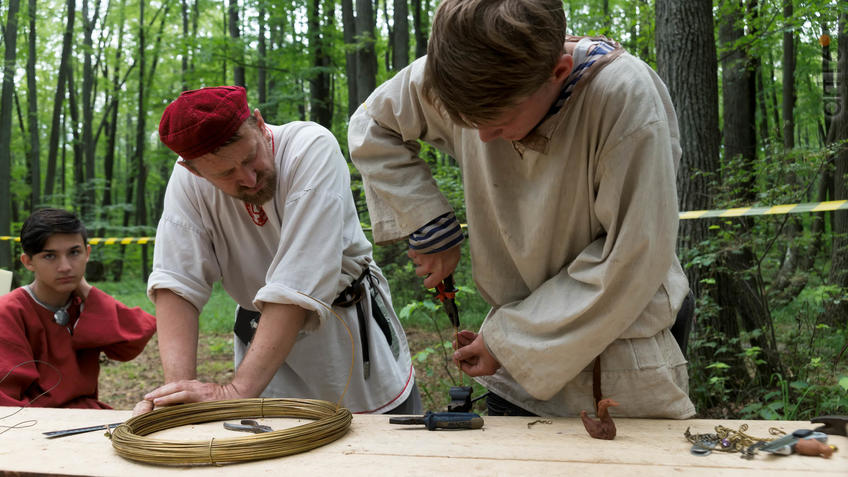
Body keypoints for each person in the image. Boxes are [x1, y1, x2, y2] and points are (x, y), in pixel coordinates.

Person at [348, 0, 695, 418]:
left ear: (559, 72)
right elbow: (371, 124)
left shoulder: (624, 100)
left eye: (496, 120)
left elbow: (632, 259)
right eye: (465, 121)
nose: (483, 138)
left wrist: (507, 340)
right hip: (514, 362)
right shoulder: (456, 69)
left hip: (619, 353)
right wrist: (427, 219)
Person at [144, 85, 419, 414]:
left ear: (260, 124)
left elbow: (298, 279)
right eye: (226, 173)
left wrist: (237, 390)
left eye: (250, 158)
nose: (248, 178)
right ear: (194, 170)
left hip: (346, 333)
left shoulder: (309, 148)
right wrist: (178, 393)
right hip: (262, 341)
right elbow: (177, 281)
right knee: (279, 453)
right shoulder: (188, 181)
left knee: (378, 453)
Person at [0, 208, 156, 409]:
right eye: (50, 256)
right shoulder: (9, 312)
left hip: (88, 417)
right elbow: (6, 401)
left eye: (74, 253)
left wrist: (86, 290)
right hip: (36, 426)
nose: (65, 266)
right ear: (28, 261)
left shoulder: (84, 305)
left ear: (87, 253)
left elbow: (132, 341)